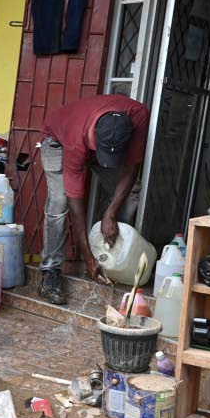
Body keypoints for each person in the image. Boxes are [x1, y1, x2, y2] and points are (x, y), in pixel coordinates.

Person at [38, 94, 149, 304]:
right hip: (58, 141)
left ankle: (112, 254)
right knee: (59, 204)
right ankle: (50, 272)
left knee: (132, 190)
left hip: (89, 140)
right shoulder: (75, 139)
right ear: (95, 138)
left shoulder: (137, 115)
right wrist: (86, 257)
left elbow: (131, 167)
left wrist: (111, 214)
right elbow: (74, 199)